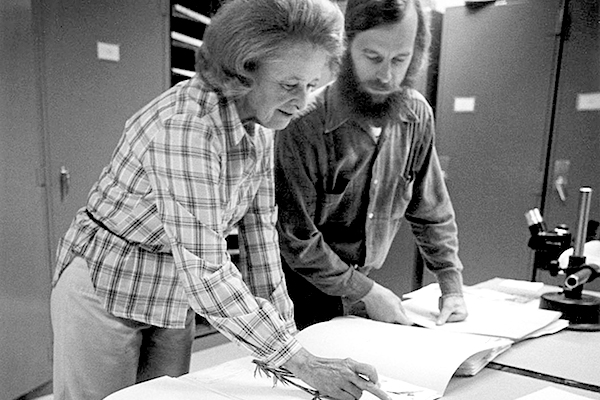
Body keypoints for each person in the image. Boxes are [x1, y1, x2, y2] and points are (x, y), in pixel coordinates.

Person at [50, 1, 391, 399]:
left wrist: (294, 349)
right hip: (108, 281)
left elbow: (261, 239)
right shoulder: (188, 127)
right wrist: (299, 361)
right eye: (289, 84)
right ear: (242, 70)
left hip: (174, 287)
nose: (302, 103)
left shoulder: (261, 125)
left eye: (312, 86)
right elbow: (208, 270)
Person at [275, 0, 469, 331]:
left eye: (400, 60)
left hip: (361, 290)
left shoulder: (416, 116)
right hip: (296, 295)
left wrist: (450, 286)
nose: (386, 76)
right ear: (345, 47)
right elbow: (297, 239)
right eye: (373, 57)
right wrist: (368, 293)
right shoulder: (304, 125)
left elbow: (430, 209)